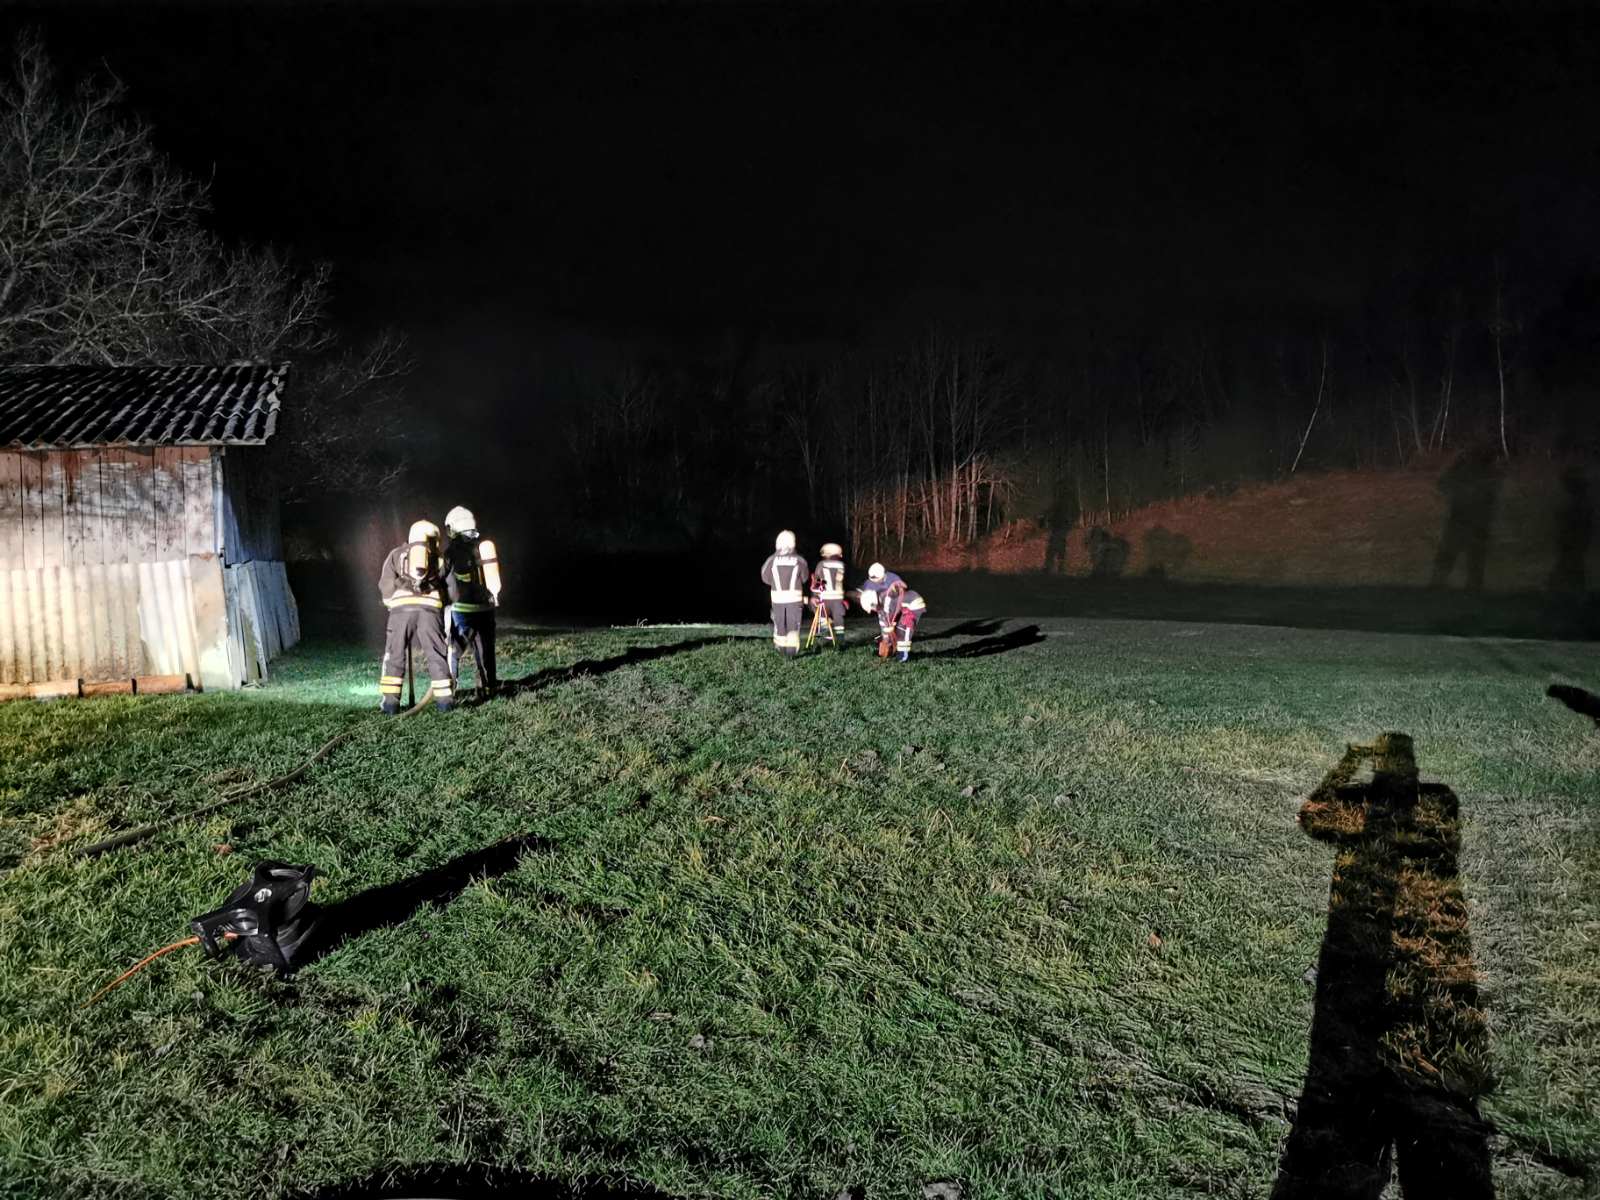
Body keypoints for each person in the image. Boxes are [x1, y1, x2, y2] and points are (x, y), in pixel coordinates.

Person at [377, 519, 454, 713]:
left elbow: (385, 583)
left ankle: (390, 704)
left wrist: (391, 602)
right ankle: (445, 703)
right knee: (436, 655)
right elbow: (452, 591)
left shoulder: (396, 554)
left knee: (394, 655)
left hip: (400, 612)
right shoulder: (441, 559)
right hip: (430, 611)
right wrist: (442, 603)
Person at [441, 505, 501, 696]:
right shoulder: (482, 548)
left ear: (453, 528)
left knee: (454, 651)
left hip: (461, 610)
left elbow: (441, 576)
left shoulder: (451, 552)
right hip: (486, 609)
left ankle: (449, 691)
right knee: (486, 651)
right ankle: (489, 687)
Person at [859, 562, 927, 662]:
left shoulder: (886, 602)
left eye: (872, 608)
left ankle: (903, 656)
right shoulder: (882, 601)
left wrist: (886, 640)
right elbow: (884, 621)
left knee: (902, 629)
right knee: (895, 629)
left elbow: (887, 623)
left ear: (874, 602)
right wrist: (885, 638)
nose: (872, 611)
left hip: (913, 605)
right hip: (905, 606)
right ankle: (896, 651)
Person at [760, 530, 808, 658]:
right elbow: (804, 577)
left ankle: (781, 651)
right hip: (795, 599)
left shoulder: (771, 560)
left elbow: (765, 577)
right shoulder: (800, 560)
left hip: (778, 598)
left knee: (780, 624)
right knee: (793, 624)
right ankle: (792, 652)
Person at [809, 541, 848, 641]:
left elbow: (817, 581)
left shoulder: (821, 564)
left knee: (821, 616)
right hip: (838, 598)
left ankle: (823, 638)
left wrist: (814, 596)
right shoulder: (842, 565)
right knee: (838, 619)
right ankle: (840, 640)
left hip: (825, 597)